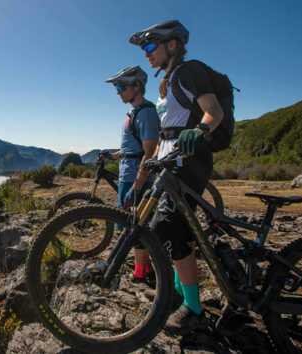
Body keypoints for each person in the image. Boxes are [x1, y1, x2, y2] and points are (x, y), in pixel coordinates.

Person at [129, 20, 225, 333]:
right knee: (169, 231)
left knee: (168, 230)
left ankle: (193, 308)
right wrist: (151, 162)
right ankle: (178, 295)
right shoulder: (168, 81)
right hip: (170, 162)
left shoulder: (188, 71)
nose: (146, 54)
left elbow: (213, 111)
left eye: (149, 46)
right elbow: (167, 129)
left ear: (172, 44)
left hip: (190, 161)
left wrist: (201, 130)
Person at [103, 66, 160, 284]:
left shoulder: (146, 112)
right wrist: (112, 155)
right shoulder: (132, 113)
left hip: (137, 177)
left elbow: (149, 152)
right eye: (117, 88)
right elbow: (131, 148)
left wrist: (138, 184)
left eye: (121, 87)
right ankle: (142, 269)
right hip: (127, 174)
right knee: (132, 226)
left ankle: (143, 272)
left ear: (137, 86)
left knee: (137, 228)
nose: (118, 92)